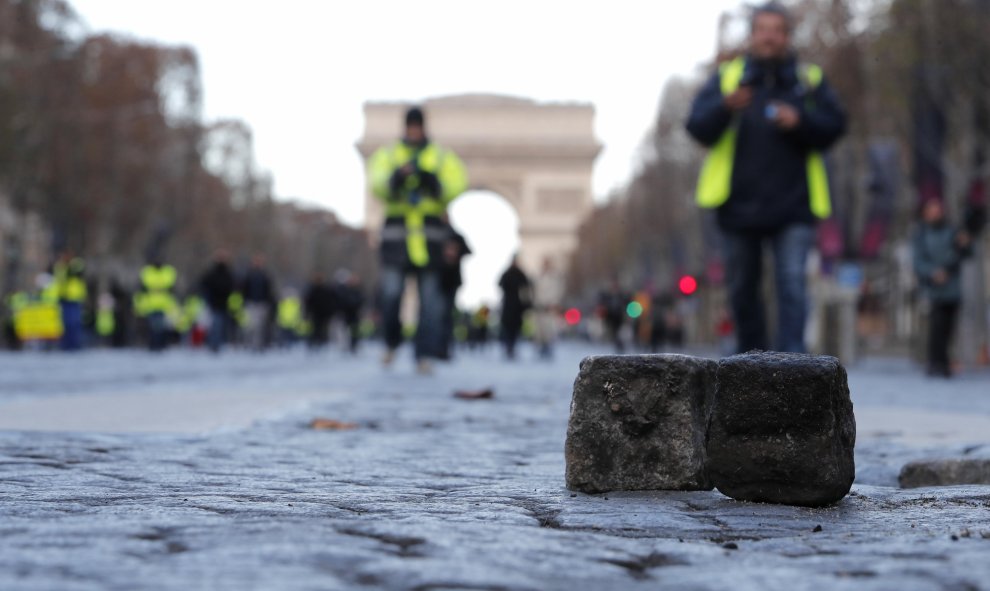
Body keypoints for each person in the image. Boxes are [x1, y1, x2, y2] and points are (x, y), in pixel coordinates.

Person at [686, 2, 846, 353]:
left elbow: (836, 126)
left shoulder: (809, 80)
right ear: (752, 35)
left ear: (787, 37)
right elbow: (696, 126)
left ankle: (792, 367)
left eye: (777, 30)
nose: (769, 37)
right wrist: (726, 106)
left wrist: (800, 121)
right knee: (742, 288)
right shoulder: (728, 78)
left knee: (792, 284)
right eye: (763, 29)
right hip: (737, 205)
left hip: (794, 204)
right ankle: (750, 362)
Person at [368, 106, 468, 374]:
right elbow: (376, 183)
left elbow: (457, 184)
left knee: (431, 304)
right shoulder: (389, 155)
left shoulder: (441, 157)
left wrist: (432, 181)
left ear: (423, 127)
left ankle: (423, 354)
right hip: (398, 240)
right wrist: (396, 179)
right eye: (411, 125)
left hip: (429, 242)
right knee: (390, 296)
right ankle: (391, 341)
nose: (414, 130)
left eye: (417, 125)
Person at [913, 199, 972, 377]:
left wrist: (966, 244)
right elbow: (918, 261)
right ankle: (935, 362)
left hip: (952, 290)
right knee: (935, 328)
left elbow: (966, 254)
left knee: (948, 329)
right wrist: (933, 273)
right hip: (933, 290)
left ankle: (945, 362)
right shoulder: (922, 234)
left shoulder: (953, 232)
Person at [439, 221, 471, 360]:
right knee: (436, 315)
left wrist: (457, 249)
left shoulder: (457, 236)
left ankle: (444, 348)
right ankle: (434, 347)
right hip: (436, 280)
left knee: (446, 316)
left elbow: (469, 251)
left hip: (451, 281)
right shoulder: (435, 234)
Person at [137, 258, 178, 352]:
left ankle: (159, 345)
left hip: (163, 305)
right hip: (151, 305)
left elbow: (171, 288)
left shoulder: (166, 273)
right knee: (154, 327)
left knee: (160, 327)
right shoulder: (148, 273)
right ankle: (154, 345)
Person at [200, 249, 235, 353]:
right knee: (216, 326)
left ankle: (217, 345)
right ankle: (213, 345)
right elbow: (204, 286)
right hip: (215, 303)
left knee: (221, 326)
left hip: (224, 304)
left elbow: (232, 287)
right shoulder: (212, 272)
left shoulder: (228, 273)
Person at [52, 251, 87, 351]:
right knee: (65, 323)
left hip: (74, 298)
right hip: (63, 298)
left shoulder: (76, 264)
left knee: (75, 323)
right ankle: (66, 345)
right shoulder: (59, 267)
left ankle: (75, 344)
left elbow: (78, 271)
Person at [240, 254, 276, 351]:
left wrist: (269, 303)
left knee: (259, 327)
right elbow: (243, 290)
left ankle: (257, 345)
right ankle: (247, 344)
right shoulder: (248, 275)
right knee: (249, 326)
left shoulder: (265, 276)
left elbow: (269, 291)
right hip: (250, 303)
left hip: (262, 304)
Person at [498, 255, 531, 360]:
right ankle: (508, 347)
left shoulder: (521, 274)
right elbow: (500, 284)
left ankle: (512, 348)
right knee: (508, 329)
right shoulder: (507, 273)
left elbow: (526, 289)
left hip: (517, 307)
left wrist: (526, 305)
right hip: (508, 306)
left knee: (515, 329)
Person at [532, 257, 565, 359]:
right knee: (539, 330)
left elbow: (558, 291)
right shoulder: (537, 277)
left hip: (550, 307)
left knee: (550, 330)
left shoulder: (555, 277)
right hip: (539, 307)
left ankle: (548, 348)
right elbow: (533, 291)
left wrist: (555, 303)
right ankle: (541, 348)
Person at [303, 272, 335, 350]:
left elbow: (331, 302)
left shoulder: (326, 290)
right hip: (315, 314)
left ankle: (322, 344)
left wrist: (330, 312)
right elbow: (308, 302)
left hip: (324, 314)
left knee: (323, 330)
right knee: (314, 330)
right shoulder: (312, 290)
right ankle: (314, 344)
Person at [598, 277, 629, 353]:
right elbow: (603, 306)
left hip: (619, 318)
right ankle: (618, 346)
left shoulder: (622, 295)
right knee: (614, 334)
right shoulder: (607, 296)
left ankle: (620, 347)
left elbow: (626, 304)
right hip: (611, 319)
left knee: (619, 334)